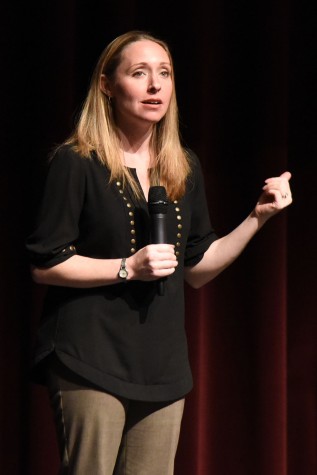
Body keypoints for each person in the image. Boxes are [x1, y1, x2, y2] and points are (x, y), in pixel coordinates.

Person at [26, 30, 292, 475]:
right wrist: (128, 267)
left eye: (164, 74)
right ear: (108, 85)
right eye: (139, 73)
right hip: (90, 355)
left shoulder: (182, 165)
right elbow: (45, 263)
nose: (155, 86)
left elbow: (197, 268)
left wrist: (257, 218)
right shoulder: (77, 161)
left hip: (162, 366)